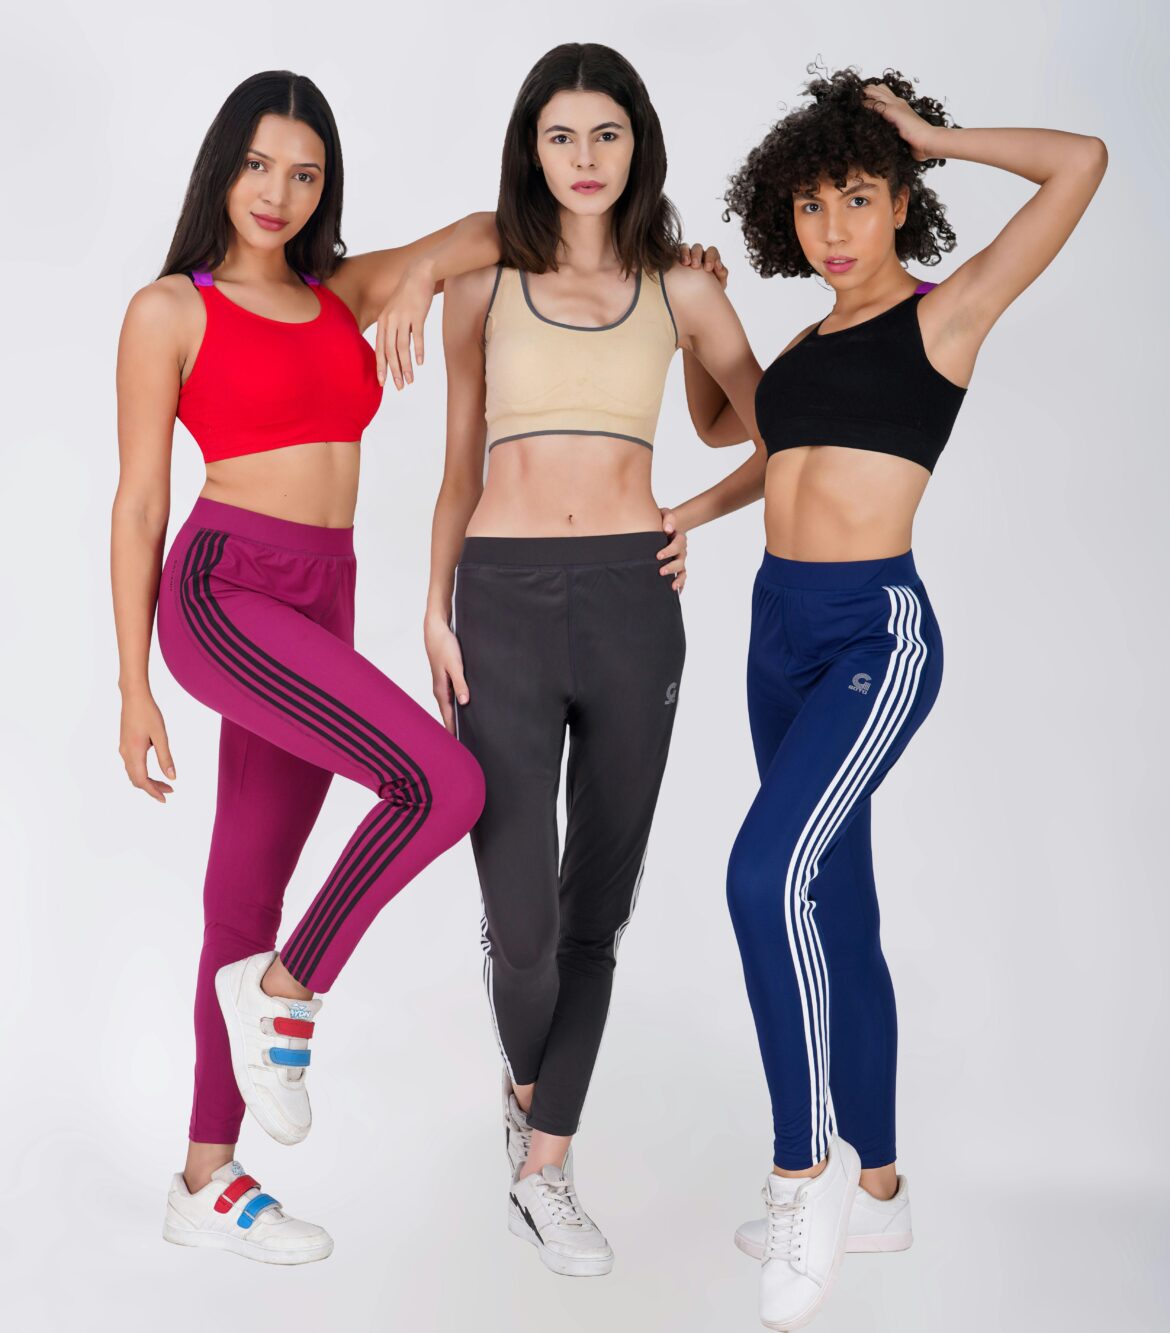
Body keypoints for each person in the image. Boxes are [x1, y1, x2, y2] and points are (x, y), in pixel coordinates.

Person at [682, 67, 1106, 1328]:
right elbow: (744, 438)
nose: (834, 227)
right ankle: (880, 1190)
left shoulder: (947, 315)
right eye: (812, 204)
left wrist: (931, 134)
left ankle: (802, 1176)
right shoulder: (807, 345)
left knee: (762, 878)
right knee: (835, 905)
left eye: (860, 197)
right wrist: (686, 497)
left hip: (874, 634)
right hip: (774, 637)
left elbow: (1081, 160)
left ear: (902, 199)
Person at [113, 69, 504, 1263]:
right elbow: (140, 504)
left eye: (304, 172)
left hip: (323, 599)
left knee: (243, 895)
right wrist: (132, 683)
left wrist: (421, 277)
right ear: (221, 168)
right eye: (257, 165)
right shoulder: (171, 310)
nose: (276, 192)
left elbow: (493, 229)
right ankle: (286, 993)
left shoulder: (344, 292)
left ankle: (204, 1179)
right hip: (225, 592)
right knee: (444, 782)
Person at [423, 42, 766, 1276]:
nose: (584, 158)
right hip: (500, 602)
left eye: (606, 134)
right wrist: (433, 608)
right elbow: (458, 467)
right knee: (520, 924)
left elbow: (783, 429)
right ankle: (532, 1093)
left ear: (638, 145)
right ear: (531, 148)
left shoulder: (685, 289)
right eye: (561, 135)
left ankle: (546, 1167)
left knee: (595, 910)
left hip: (633, 602)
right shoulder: (483, 285)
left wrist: (694, 515)